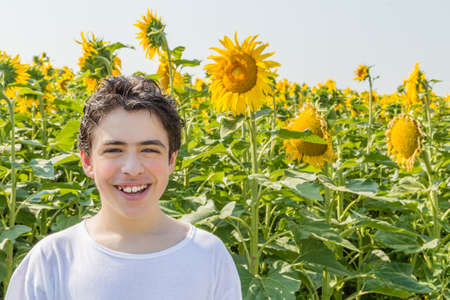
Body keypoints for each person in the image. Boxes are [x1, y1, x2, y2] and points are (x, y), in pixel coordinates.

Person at [6, 76, 242, 300]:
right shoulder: (53, 260)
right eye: (114, 150)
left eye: (149, 150)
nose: (132, 168)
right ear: (87, 161)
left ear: (171, 160)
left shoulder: (208, 256)